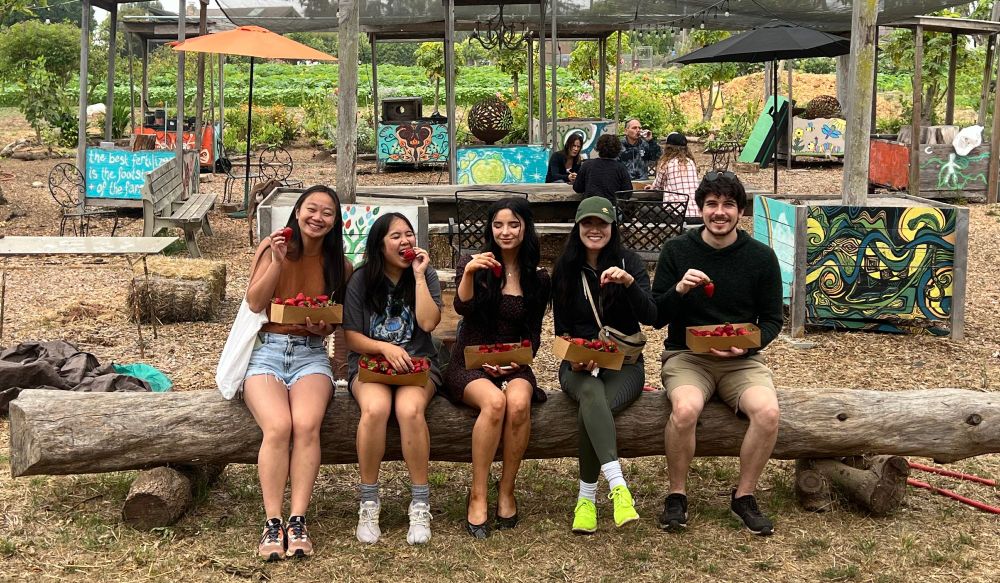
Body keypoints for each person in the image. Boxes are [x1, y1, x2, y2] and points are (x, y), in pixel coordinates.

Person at [652, 171, 782, 536]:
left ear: (740, 211)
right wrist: (679, 290)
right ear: (700, 208)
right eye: (711, 204)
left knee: (768, 412)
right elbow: (656, 316)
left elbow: (773, 319)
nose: (719, 212)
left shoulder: (761, 257)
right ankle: (677, 494)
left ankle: (744, 496)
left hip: (742, 360)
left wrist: (750, 344)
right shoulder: (677, 250)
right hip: (687, 356)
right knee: (685, 409)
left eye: (728, 205)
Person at [242, 185, 351, 561]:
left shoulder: (340, 265)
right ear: (298, 212)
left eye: (327, 213)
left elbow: (334, 321)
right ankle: (273, 522)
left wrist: (324, 326)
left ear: (335, 222)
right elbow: (255, 302)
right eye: (311, 209)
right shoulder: (272, 247)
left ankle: (298, 519)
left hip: (311, 355)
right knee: (278, 427)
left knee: (306, 425)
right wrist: (276, 261)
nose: (317, 217)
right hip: (266, 354)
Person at [443, 197, 552, 539]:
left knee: (518, 403)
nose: (505, 231)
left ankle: (506, 489)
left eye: (514, 224)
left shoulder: (537, 277)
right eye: (498, 225)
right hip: (469, 360)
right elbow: (462, 307)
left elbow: (534, 334)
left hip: (512, 361)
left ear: (525, 228)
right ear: (490, 229)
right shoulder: (473, 263)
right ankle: (477, 493)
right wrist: (469, 273)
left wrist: (516, 361)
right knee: (494, 403)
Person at [551, 196, 657, 534]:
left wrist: (628, 283)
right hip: (579, 366)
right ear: (578, 227)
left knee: (593, 409)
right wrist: (576, 357)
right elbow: (561, 331)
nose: (594, 229)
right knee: (591, 394)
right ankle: (618, 487)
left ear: (613, 227)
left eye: (602, 223)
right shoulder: (565, 268)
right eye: (588, 223)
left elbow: (651, 316)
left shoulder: (630, 262)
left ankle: (585, 499)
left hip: (624, 364)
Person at [343, 212, 443, 545]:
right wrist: (384, 348)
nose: (405, 241)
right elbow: (352, 337)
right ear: (379, 244)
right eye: (395, 236)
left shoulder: (424, 274)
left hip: (418, 364)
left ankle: (420, 502)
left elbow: (428, 324)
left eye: (409, 234)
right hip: (370, 365)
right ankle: (369, 501)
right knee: (375, 409)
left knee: (409, 410)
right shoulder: (361, 279)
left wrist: (419, 276)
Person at [646, 131, 701, 224]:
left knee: (644, 211)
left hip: (677, 215)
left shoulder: (667, 163)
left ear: (668, 148)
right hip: (697, 214)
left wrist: (652, 187)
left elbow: (657, 187)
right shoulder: (691, 162)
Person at [573, 134, 633, 200]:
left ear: (599, 147)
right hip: (611, 205)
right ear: (617, 150)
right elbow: (628, 192)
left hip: (590, 204)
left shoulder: (587, 165)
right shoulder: (620, 168)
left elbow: (577, 188)